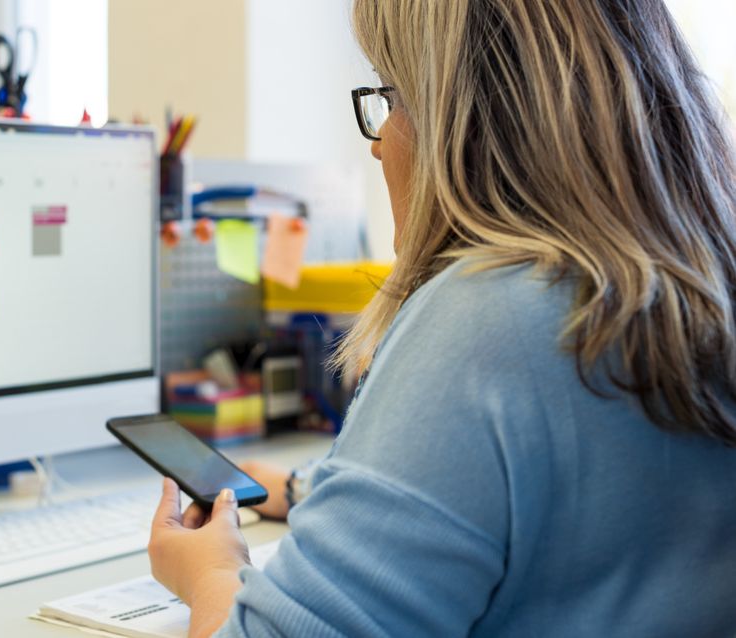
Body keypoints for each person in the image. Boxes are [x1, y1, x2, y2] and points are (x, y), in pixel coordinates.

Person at [149, 0, 736, 635]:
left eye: (390, 96)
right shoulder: (689, 292)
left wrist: (211, 573)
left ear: (466, 116)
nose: (378, 145)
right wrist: (306, 487)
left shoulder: (491, 313)